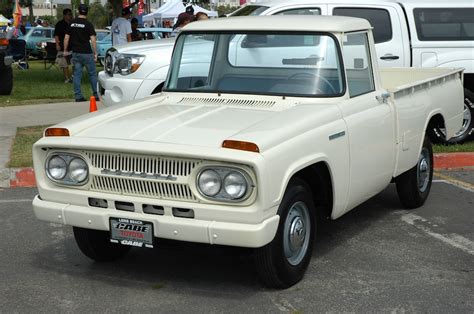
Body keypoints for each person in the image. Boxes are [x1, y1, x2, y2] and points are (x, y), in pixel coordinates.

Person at [63, 4, 99, 102]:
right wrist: (95, 53)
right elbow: (93, 39)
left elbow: (66, 37)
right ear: (87, 12)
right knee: (92, 74)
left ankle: (78, 96)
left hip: (76, 53)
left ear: (78, 11)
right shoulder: (88, 24)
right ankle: (96, 94)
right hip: (87, 53)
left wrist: (65, 50)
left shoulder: (72, 23)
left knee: (77, 74)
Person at [54, 8, 73, 83]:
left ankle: (73, 77)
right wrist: (57, 44)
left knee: (75, 64)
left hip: (72, 47)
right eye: (69, 14)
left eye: (71, 14)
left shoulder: (73, 24)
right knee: (64, 64)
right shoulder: (59, 24)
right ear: (64, 15)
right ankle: (67, 78)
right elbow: (56, 35)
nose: (70, 16)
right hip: (62, 47)